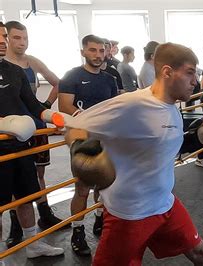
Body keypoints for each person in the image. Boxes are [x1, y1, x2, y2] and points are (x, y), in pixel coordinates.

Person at [64, 42, 203, 266]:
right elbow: (74, 125)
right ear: (167, 72)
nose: (195, 81)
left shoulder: (172, 105)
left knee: (201, 254)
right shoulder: (132, 105)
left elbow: (158, 144)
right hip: (130, 213)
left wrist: (194, 139)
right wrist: (80, 151)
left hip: (165, 203)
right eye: (190, 73)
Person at [0, 21, 65, 258]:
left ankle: (33, 244)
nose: (2, 40)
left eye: (4, 35)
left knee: (26, 197)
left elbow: (34, 106)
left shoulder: (14, 71)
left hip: (21, 146)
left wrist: (56, 116)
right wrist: (6, 123)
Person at [58, 34, 118, 256]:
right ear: (83, 51)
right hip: (83, 138)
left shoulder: (110, 79)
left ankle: (100, 218)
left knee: (105, 182)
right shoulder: (72, 76)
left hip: (106, 137)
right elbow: (64, 104)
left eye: (101, 51)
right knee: (82, 187)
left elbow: (115, 107)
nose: (98, 55)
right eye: (92, 50)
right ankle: (77, 231)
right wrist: (89, 121)